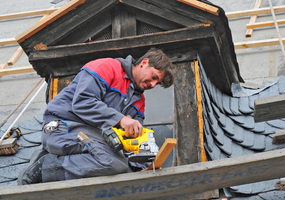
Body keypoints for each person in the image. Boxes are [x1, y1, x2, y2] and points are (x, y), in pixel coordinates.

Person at [18, 47, 174, 184]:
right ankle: (44, 166)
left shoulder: (139, 101)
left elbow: (131, 141)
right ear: (144, 62)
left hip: (95, 140)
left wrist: (139, 168)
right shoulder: (107, 67)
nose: (153, 85)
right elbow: (82, 102)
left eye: (157, 83)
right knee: (111, 163)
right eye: (154, 77)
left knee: (123, 172)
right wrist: (121, 119)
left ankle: (58, 165)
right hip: (63, 128)